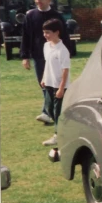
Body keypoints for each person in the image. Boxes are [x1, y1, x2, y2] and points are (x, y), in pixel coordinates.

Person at [20, 0, 70, 124]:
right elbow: (26, 36)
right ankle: (49, 112)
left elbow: (65, 35)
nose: (38, 2)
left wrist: (67, 53)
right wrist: (25, 56)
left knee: (55, 84)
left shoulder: (57, 16)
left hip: (56, 55)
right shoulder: (30, 16)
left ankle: (49, 112)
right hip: (38, 55)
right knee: (44, 83)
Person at [39, 18, 71, 146]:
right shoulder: (46, 46)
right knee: (49, 108)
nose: (45, 35)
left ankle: (58, 135)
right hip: (49, 83)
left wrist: (61, 88)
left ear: (57, 32)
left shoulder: (62, 50)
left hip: (59, 86)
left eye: (48, 32)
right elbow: (47, 64)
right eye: (44, 32)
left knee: (57, 112)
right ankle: (64, 129)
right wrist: (43, 78)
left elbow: (65, 70)